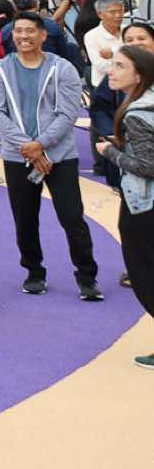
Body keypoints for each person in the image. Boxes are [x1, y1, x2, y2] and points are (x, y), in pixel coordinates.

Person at [0, 13, 104, 300]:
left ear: (43, 36)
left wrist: (42, 146)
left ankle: (87, 277)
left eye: (29, 31)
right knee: (25, 219)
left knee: (72, 217)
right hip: (18, 156)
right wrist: (28, 146)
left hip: (60, 156)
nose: (23, 36)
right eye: (18, 31)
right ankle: (34, 272)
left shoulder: (63, 68)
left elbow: (67, 114)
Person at [93, 43, 154, 362]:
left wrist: (112, 153)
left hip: (143, 204)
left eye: (119, 66)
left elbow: (147, 166)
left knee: (144, 274)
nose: (111, 72)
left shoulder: (138, 114)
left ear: (139, 74)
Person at [83, 0, 128, 189]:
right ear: (100, 14)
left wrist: (114, 52)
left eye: (121, 11)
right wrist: (125, 58)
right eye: (113, 12)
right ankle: (101, 164)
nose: (118, 15)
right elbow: (99, 64)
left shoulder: (128, 30)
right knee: (101, 123)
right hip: (102, 84)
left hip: (128, 85)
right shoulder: (92, 36)